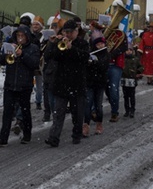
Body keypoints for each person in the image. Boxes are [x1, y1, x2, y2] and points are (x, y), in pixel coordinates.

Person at [0, 25, 40, 147]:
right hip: (10, 84)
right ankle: (3, 138)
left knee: (25, 112)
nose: (20, 38)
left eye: (22, 36)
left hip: (25, 86)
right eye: (18, 36)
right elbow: (2, 61)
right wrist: (7, 52)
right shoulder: (11, 45)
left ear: (27, 37)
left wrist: (22, 54)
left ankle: (27, 135)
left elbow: (34, 64)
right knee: (7, 112)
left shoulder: (33, 48)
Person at [46, 19, 89, 147]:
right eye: (66, 32)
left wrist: (71, 48)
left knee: (77, 113)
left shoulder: (82, 43)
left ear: (76, 32)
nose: (68, 35)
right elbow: (50, 56)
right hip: (62, 82)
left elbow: (85, 58)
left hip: (77, 82)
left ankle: (76, 134)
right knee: (58, 113)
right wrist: (52, 44)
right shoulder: (60, 43)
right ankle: (54, 137)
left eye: (70, 32)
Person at [83, 33, 109, 136]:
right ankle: (86, 125)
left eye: (102, 44)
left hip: (100, 83)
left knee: (98, 105)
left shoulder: (106, 54)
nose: (100, 46)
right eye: (98, 44)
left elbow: (103, 66)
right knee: (88, 104)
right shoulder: (90, 53)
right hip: (89, 82)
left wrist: (94, 62)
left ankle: (99, 124)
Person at [121, 46, 145, 117]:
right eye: (127, 50)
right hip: (124, 79)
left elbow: (141, 67)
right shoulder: (123, 59)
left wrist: (138, 71)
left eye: (130, 50)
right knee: (125, 96)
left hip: (132, 79)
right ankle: (127, 110)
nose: (128, 51)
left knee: (132, 96)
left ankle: (132, 110)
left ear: (132, 51)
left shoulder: (135, 59)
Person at [31, 16, 45, 110]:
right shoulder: (29, 35)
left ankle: (38, 101)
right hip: (30, 61)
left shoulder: (43, 36)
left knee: (39, 84)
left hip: (40, 62)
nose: (35, 26)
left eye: (37, 24)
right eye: (34, 24)